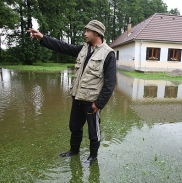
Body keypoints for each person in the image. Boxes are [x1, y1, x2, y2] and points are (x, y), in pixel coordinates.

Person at [27, 20, 116, 165]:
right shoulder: (83, 49)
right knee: (74, 126)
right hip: (77, 97)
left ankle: (93, 156)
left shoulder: (108, 54)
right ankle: (74, 150)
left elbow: (110, 84)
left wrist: (99, 104)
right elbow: (63, 47)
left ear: (96, 33)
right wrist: (43, 38)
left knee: (93, 132)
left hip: (92, 102)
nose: (85, 33)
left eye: (87, 31)